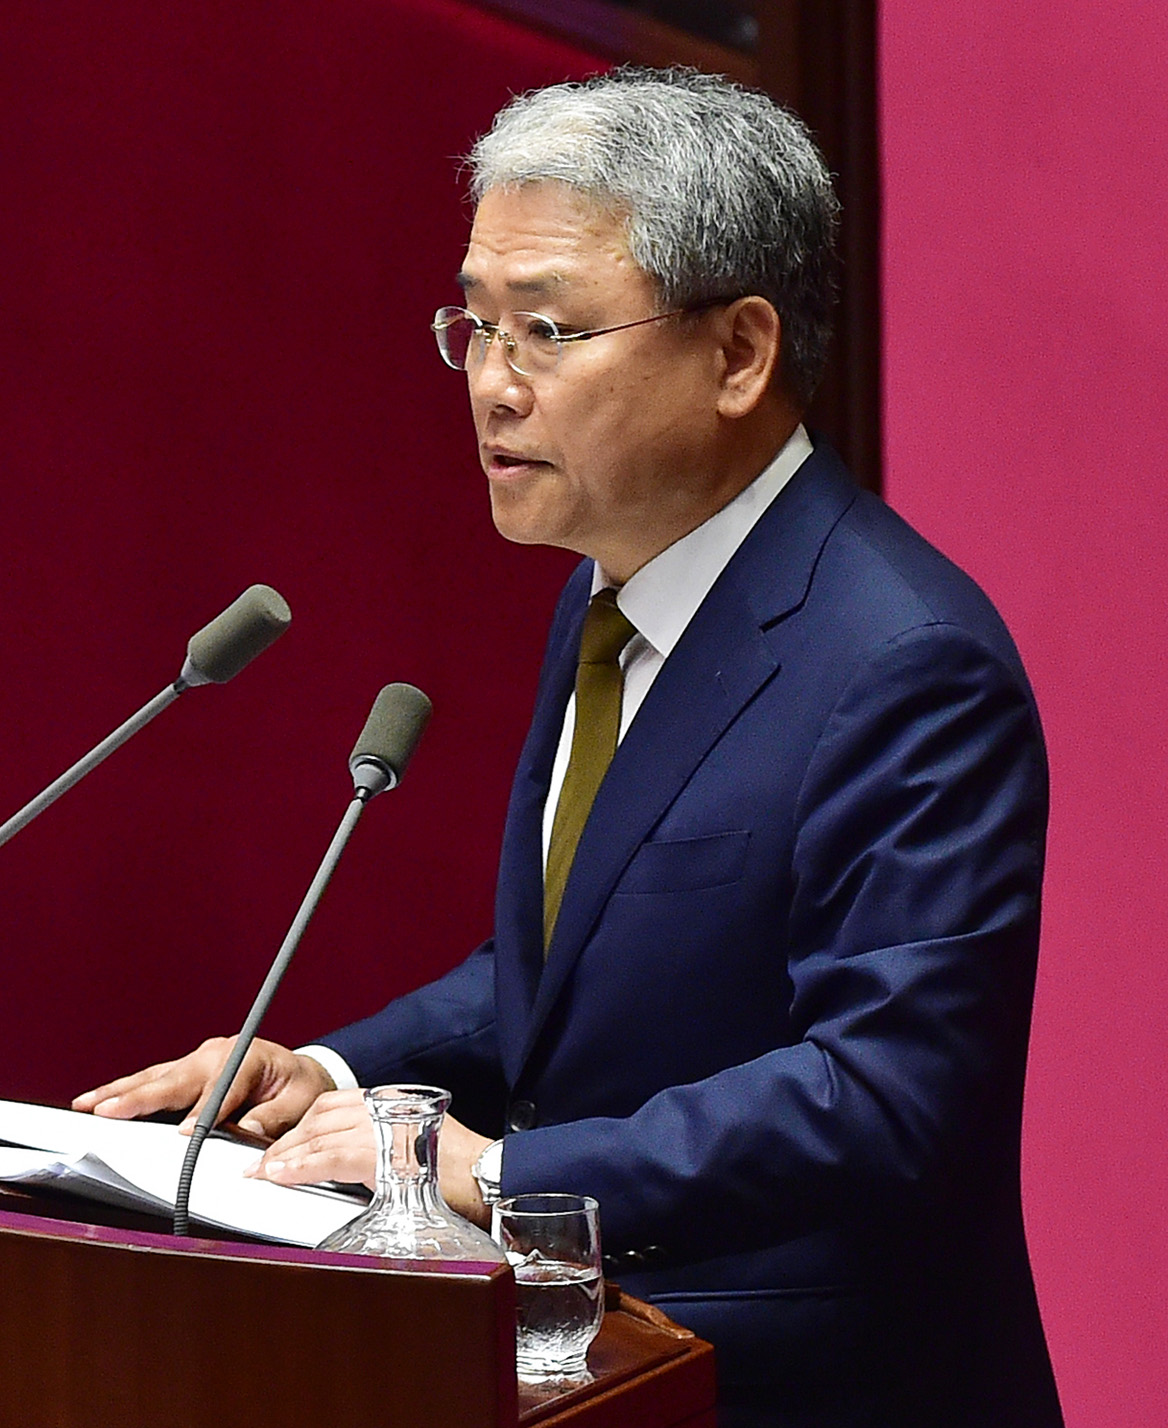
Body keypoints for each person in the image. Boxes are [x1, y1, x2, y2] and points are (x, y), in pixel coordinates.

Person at [74, 68, 1063, 1428]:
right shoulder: (613, 593)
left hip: (795, 1389)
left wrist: (501, 1175)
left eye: (546, 329)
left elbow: (885, 1092)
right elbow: (571, 971)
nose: (493, 385)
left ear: (739, 354)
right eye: (474, 326)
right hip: (597, 1372)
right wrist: (337, 1079)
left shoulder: (905, 663)